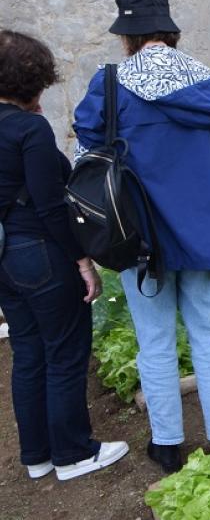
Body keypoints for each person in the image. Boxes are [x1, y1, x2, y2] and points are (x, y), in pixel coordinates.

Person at [73, 0, 210, 474]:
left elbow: (85, 153)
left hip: (137, 237)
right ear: (168, 30)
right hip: (205, 234)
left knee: (154, 340)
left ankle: (167, 444)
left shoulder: (108, 85)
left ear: (127, 34)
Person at [0, 29, 129, 481]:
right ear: (34, 79)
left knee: (29, 352)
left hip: (4, 257)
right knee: (66, 351)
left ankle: (37, 455)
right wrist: (82, 260)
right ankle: (74, 453)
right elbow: (51, 204)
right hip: (40, 252)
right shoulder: (29, 129)